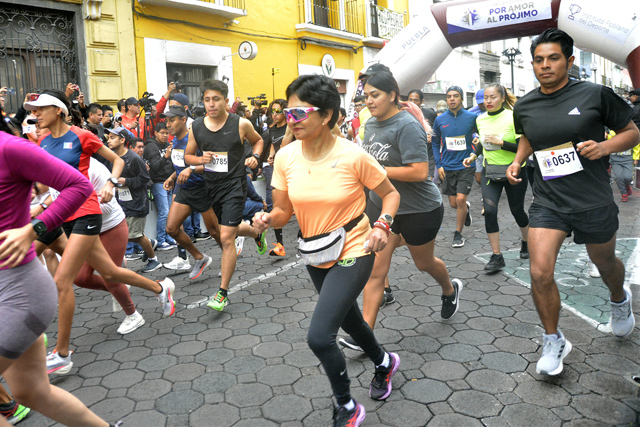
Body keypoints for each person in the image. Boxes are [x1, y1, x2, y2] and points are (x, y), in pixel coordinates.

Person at [253, 74, 401, 427]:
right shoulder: (286, 157)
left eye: (300, 113)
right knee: (350, 321)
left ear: (327, 115)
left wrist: (383, 225)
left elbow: (392, 194)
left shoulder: (352, 155)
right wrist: (264, 218)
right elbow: (284, 212)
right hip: (315, 250)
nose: (292, 120)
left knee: (320, 336)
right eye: (288, 113)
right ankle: (384, 362)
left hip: (356, 245)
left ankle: (347, 406)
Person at [506, 28, 639, 376]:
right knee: (539, 271)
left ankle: (619, 299)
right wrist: (518, 160)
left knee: (606, 264)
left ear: (569, 60)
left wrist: (604, 147)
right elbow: (528, 137)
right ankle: (554, 339)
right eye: (538, 60)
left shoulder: (595, 94)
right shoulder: (525, 104)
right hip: (548, 200)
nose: (545, 65)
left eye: (553, 58)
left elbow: (633, 132)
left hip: (592, 200)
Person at [24, 90, 175, 375]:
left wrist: (110, 183)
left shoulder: (81, 136)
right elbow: (48, 183)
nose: (35, 114)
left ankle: (62, 354)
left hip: (88, 211)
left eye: (41, 108)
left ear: (58, 110)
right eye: (33, 110)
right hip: (63, 214)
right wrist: (40, 204)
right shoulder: (42, 141)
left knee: (63, 280)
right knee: (111, 273)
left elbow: (116, 161)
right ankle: (160, 288)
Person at [338, 70, 462, 354]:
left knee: (424, 263)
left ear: (392, 95)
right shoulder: (370, 124)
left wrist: (375, 171)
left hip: (420, 209)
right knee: (375, 272)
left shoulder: (406, 125)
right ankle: (365, 336)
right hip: (384, 208)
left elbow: (420, 172)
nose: (368, 101)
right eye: (366, 96)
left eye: (375, 95)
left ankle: (450, 289)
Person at [0, 119, 114, 426]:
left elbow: (78, 185)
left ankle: (150, 292)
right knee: (32, 392)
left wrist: (32, 229)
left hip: (17, 293)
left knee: (102, 273)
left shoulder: (10, 148)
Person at [184, 79, 265, 311]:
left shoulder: (240, 123)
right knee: (226, 229)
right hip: (212, 186)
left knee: (227, 238)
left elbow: (258, 141)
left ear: (226, 102)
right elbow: (188, 157)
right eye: (207, 99)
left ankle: (222, 292)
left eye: (216, 99)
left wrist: (255, 157)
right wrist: (201, 160)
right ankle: (257, 233)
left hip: (234, 185)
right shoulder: (197, 127)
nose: (211, 104)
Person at [463, 84, 529, 272]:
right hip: (490, 172)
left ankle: (526, 242)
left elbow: (523, 148)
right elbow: (484, 143)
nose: (489, 101)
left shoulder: (512, 116)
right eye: (486, 98)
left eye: (492, 97)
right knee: (490, 212)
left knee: (518, 212)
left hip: (514, 172)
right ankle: (496, 255)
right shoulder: (480, 119)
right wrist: (474, 155)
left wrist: (502, 143)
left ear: (501, 98)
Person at [162, 105, 230, 278]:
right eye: (166, 121)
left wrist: (191, 169)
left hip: (203, 189)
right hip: (185, 190)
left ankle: (230, 257)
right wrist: (172, 176)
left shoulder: (196, 139)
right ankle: (200, 257)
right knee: (171, 229)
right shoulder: (176, 140)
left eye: (172, 120)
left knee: (214, 232)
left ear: (183, 120)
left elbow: (214, 163)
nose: (168, 125)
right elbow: (181, 165)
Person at [106, 127, 161, 273]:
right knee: (129, 234)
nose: (108, 140)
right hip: (122, 202)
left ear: (122, 140)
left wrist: (127, 181)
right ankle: (150, 243)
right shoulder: (113, 158)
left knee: (133, 235)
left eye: (112, 137)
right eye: (109, 137)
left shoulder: (134, 158)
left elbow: (146, 179)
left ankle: (154, 260)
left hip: (137, 202)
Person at [432, 86, 476, 247]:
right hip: (448, 166)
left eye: (455, 96)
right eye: (449, 96)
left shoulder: (472, 117)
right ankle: (465, 209)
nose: (452, 99)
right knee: (453, 203)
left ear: (462, 99)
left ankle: (458, 234)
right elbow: (435, 143)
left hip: (466, 164)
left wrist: (476, 143)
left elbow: (479, 134)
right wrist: (439, 165)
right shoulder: (440, 119)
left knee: (460, 198)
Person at [143, 122, 178, 250]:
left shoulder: (166, 145)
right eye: (162, 133)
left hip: (168, 180)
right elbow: (155, 166)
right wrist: (166, 156)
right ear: (156, 133)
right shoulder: (151, 147)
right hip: (158, 182)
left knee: (169, 212)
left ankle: (168, 237)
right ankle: (161, 239)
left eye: (166, 133)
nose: (165, 136)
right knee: (164, 212)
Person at [262, 99, 288, 257]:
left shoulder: (291, 127)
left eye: (278, 111)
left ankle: (305, 236)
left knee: (301, 207)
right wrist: (271, 155)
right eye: (273, 111)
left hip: (292, 171)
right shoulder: (272, 129)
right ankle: (280, 246)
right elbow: (273, 143)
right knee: (277, 206)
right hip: (278, 171)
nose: (275, 114)